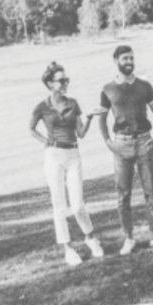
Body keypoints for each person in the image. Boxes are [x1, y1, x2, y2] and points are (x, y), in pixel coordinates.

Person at [29, 62, 106, 267]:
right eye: (61, 81)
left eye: (67, 80)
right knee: (59, 205)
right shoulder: (42, 107)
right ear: (49, 83)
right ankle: (68, 248)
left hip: (73, 154)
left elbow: (80, 133)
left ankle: (90, 237)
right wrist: (44, 141)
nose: (65, 84)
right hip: (54, 156)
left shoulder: (73, 102)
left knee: (78, 204)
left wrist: (89, 117)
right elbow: (31, 129)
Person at [99, 45, 153, 254]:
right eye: (125, 58)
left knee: (151, 193)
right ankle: (128, 238)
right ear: (116, 61)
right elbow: (101, 118)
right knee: (123, 195)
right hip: (121, 145)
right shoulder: (108, 89)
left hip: (144, 143)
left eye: (131, 58)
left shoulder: (145, 86)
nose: (129, 62)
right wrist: (109, 143)